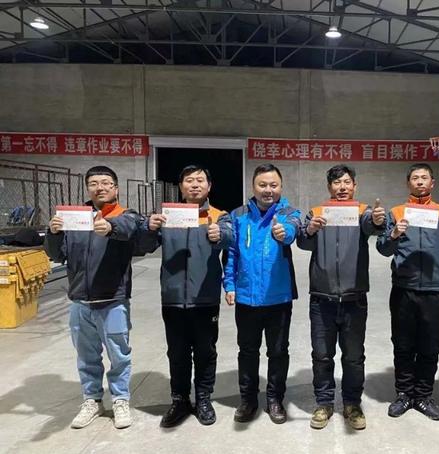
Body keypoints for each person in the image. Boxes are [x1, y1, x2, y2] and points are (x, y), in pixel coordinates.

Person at [44, 165, 150, 429]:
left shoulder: (125, 215)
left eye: (105, 183)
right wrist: (54, 233)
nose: (99, 188)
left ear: (116, 188)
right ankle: (92, 400)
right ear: (88, 188)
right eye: (93, 183)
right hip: (80, 301)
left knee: (119, 355)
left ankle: (120, 399)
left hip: (112, 300)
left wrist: (109, 227)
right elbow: (57, 255)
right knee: (86, 356)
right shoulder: (75, 219)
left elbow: (130, 228)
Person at [376, 163, 439, 420]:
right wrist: (394, 234)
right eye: (415, 178)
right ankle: (404, 394)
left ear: (432, 183)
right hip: (403, 290)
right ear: (408, 183)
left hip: (434, 291)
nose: (419, 181)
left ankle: (423, 396)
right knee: (403, 345)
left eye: (424, 178)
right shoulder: (396, 212)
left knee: (430, 346)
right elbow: (383, 248)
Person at [297, 164, 386, 430]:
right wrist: (310, 230)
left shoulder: (363, 212)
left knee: (353, 357)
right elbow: (303, 242)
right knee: (322, 355)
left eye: (347, 182)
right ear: (329, 187)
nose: (342, 187)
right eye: (337, 183)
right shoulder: (317, 212)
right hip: (321, 298)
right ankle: (324, 403)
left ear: (355, 186)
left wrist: (378, 220)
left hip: (353, 298)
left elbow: (373, 226)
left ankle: (352, 404)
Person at [145, 165, 233, 428]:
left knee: (206, 352)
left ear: (209, 186)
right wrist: (149, 228)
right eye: (189, 180)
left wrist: (220, 235)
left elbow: (230, 237)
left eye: (200, 180)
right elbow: (144, 245)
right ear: (181, 187)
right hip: (172, 298)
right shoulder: (168, 215)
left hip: (205, 298)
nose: (195, 185)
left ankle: (203, 398)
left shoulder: (218, 216)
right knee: (177, 353)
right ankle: (180, 400)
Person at [223, 163, 301, 424]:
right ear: (253, 187)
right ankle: (248, 400)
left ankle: (275, 399)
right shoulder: (239, 215)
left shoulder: (289, 213)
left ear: (281, 187)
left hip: (278, 298)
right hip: (247, 297)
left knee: (278, 352)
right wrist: (230, 285)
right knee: (247, 351)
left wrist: (283, 233)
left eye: (273, 185)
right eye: (263, 185)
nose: (268, 190)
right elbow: (231, 252)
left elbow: (292, 230)